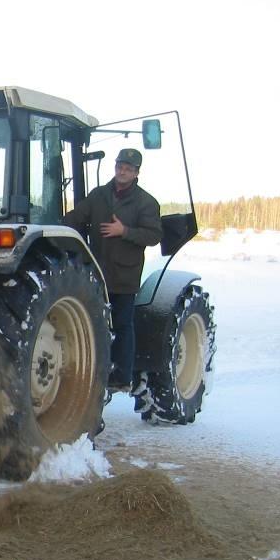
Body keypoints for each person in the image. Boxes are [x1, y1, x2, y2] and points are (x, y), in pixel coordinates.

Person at [63, 147, 162, 392]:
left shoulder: (146, 202)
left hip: (124, 275)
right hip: (96, 271)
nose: (122, 171)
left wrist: (124, 231)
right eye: (120, 166)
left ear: (137, 172)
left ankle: (121, 376)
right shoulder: (99, 195)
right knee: (95, 324)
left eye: (128, 169)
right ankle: (95, 373)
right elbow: (78, 216)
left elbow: (154, 235)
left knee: (122, 324)